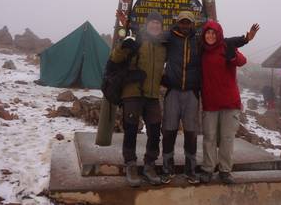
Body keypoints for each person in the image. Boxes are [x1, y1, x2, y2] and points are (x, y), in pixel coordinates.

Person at [199, 20, 259, 184]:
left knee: (227, 138)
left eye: (213, 33)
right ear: (204, 35)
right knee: (209, 137)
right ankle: (208, 168)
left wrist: (232, 55)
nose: (210, 36)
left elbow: (242, 61)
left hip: (229, 102)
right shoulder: (201, 51)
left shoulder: (226, 47)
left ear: (218, 34)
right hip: (210, 102)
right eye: (207, 33)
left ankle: (225, 171)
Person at [111, 10, 167, 187]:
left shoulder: (162, 46)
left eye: (158, 23)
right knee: (131, 130)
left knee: (154, 130)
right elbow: (115, 58)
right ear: (147, 24)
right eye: (152, 22)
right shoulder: (135, 39)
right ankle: (131, 164)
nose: (155, 25)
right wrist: (123, 44)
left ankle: (149, 164)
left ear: (161, 26)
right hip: (132, 93)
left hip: (152, 95)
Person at [160, 11, 201, 184]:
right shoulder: (169, 37)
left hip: (191, 93)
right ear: (177, 23)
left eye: (188, 22)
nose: (185, 25)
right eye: (182, 22)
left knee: (191, 133)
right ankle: (167, 169)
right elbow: (150, 35)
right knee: (169, 131)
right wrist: (125, 25)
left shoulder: (198, 40)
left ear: (192, 24)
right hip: (173, 92)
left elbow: (222, 43)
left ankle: (190, 170)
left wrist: (244, 40)